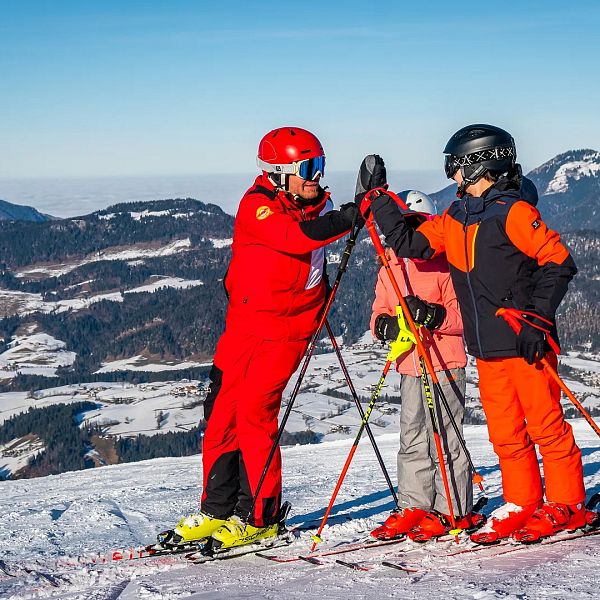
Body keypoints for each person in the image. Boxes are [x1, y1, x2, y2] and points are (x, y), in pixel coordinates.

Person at [360, 124, 595, 543]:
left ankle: (568, 504)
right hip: (486, 347)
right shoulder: (456, 216)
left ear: (477, 164)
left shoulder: (514, 212)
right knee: (505, 433)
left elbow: (559, 262)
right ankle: (523, 502)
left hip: (524, 344)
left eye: (454, 167)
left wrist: (536, 321)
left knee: (546, 426)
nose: (450, 176)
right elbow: (411, 243)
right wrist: (379, 200)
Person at [161, 127, 361, 550]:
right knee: (221, 416)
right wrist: (349, 215)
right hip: (244, 329)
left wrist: (367, 203)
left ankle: (259, 515)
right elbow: (294, 238)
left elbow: (310, 246)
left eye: (320, 166)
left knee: (254, 414)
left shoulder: (315, 209)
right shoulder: (258, 206)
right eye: (308, 167)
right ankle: (217, 509)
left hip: (283, 334)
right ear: (278, 173)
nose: (316, 176)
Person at [369, 191, 483, 541]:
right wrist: (382, 326)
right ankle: (415, 504)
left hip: (445, 363)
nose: (412, 236)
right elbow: (378, 311)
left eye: (418, 226)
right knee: (412, 436)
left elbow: (465, 316)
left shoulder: (447, 262)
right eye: (406, 227)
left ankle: (452, 508)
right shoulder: (391, 263)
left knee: (446, 438)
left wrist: (434, 315)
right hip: (409, 365)